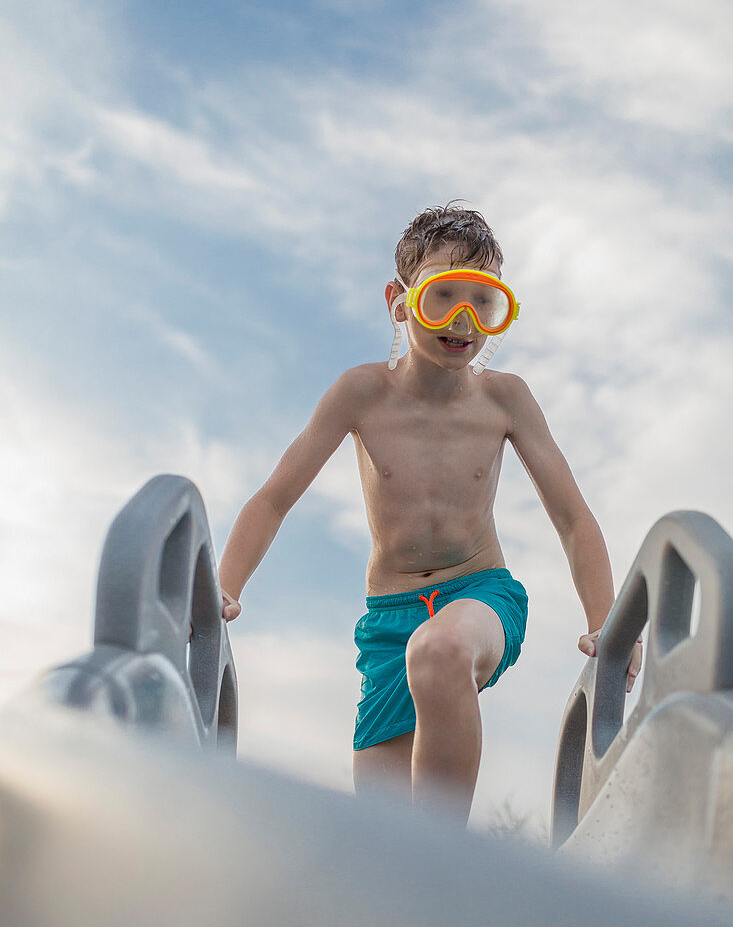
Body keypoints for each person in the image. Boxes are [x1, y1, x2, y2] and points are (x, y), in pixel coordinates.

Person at [218, 203, 642, 826]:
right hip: (389, 622)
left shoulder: (507, 400)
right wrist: (225, 588)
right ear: (400, 300)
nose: (462, 321)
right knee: (386, 844)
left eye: (483, 302)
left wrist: (608, 622)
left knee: (439, 650)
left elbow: (574, 519)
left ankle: (453, 867)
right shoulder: (361, 393)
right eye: (442, 297)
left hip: (481, 595)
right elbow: (274, 498)